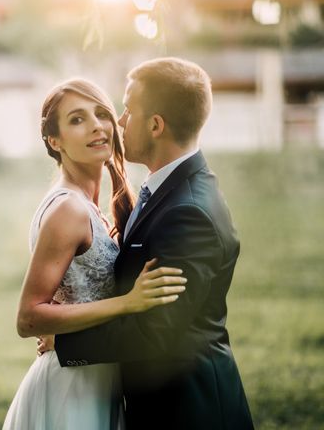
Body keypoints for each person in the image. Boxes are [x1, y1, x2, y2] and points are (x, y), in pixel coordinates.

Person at [41, 58, 254, 429]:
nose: (119, 122)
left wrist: (64, 344)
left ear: (156, 125)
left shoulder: (188, 213)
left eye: (127, 111)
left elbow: (155, 334)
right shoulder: (166, 188)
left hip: (188, 412)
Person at [3, 78, 187, 429]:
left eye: (101, 113)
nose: (96, 126)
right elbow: (28, 319)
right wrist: (128, 303)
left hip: (99, 379)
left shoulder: (89, 206)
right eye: (77, 119)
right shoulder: (68, 210)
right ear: (54, 141)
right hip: (71, 389)